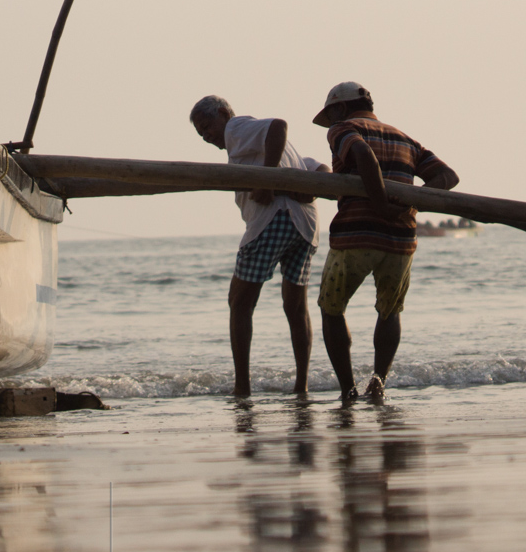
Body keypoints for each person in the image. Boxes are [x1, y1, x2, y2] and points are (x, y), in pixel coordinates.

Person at [311, 81, 458, 402]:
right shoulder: (404, 138)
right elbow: (447, 176)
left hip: (356, 232)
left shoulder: (342, 129)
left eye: (332, 114)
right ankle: (378, 381)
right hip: (401, 237)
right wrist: (406, 204)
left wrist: (378, 202)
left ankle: (348, 390)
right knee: (389, 311)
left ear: (339, 108)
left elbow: (361, 152)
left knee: (331, 309)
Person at [189, 95, 327, 398]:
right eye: (201, 133)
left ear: (224, 114)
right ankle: (301, 386)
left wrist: (265, 182)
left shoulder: (236, 129)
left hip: (273, 221)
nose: (207, 135)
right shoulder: (261, 149)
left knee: (239, 302)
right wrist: (308, 193)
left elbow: (278, 125)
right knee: (295, 306)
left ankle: (242, 388)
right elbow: (321, 170)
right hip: (305, 226)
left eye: (207, 126)